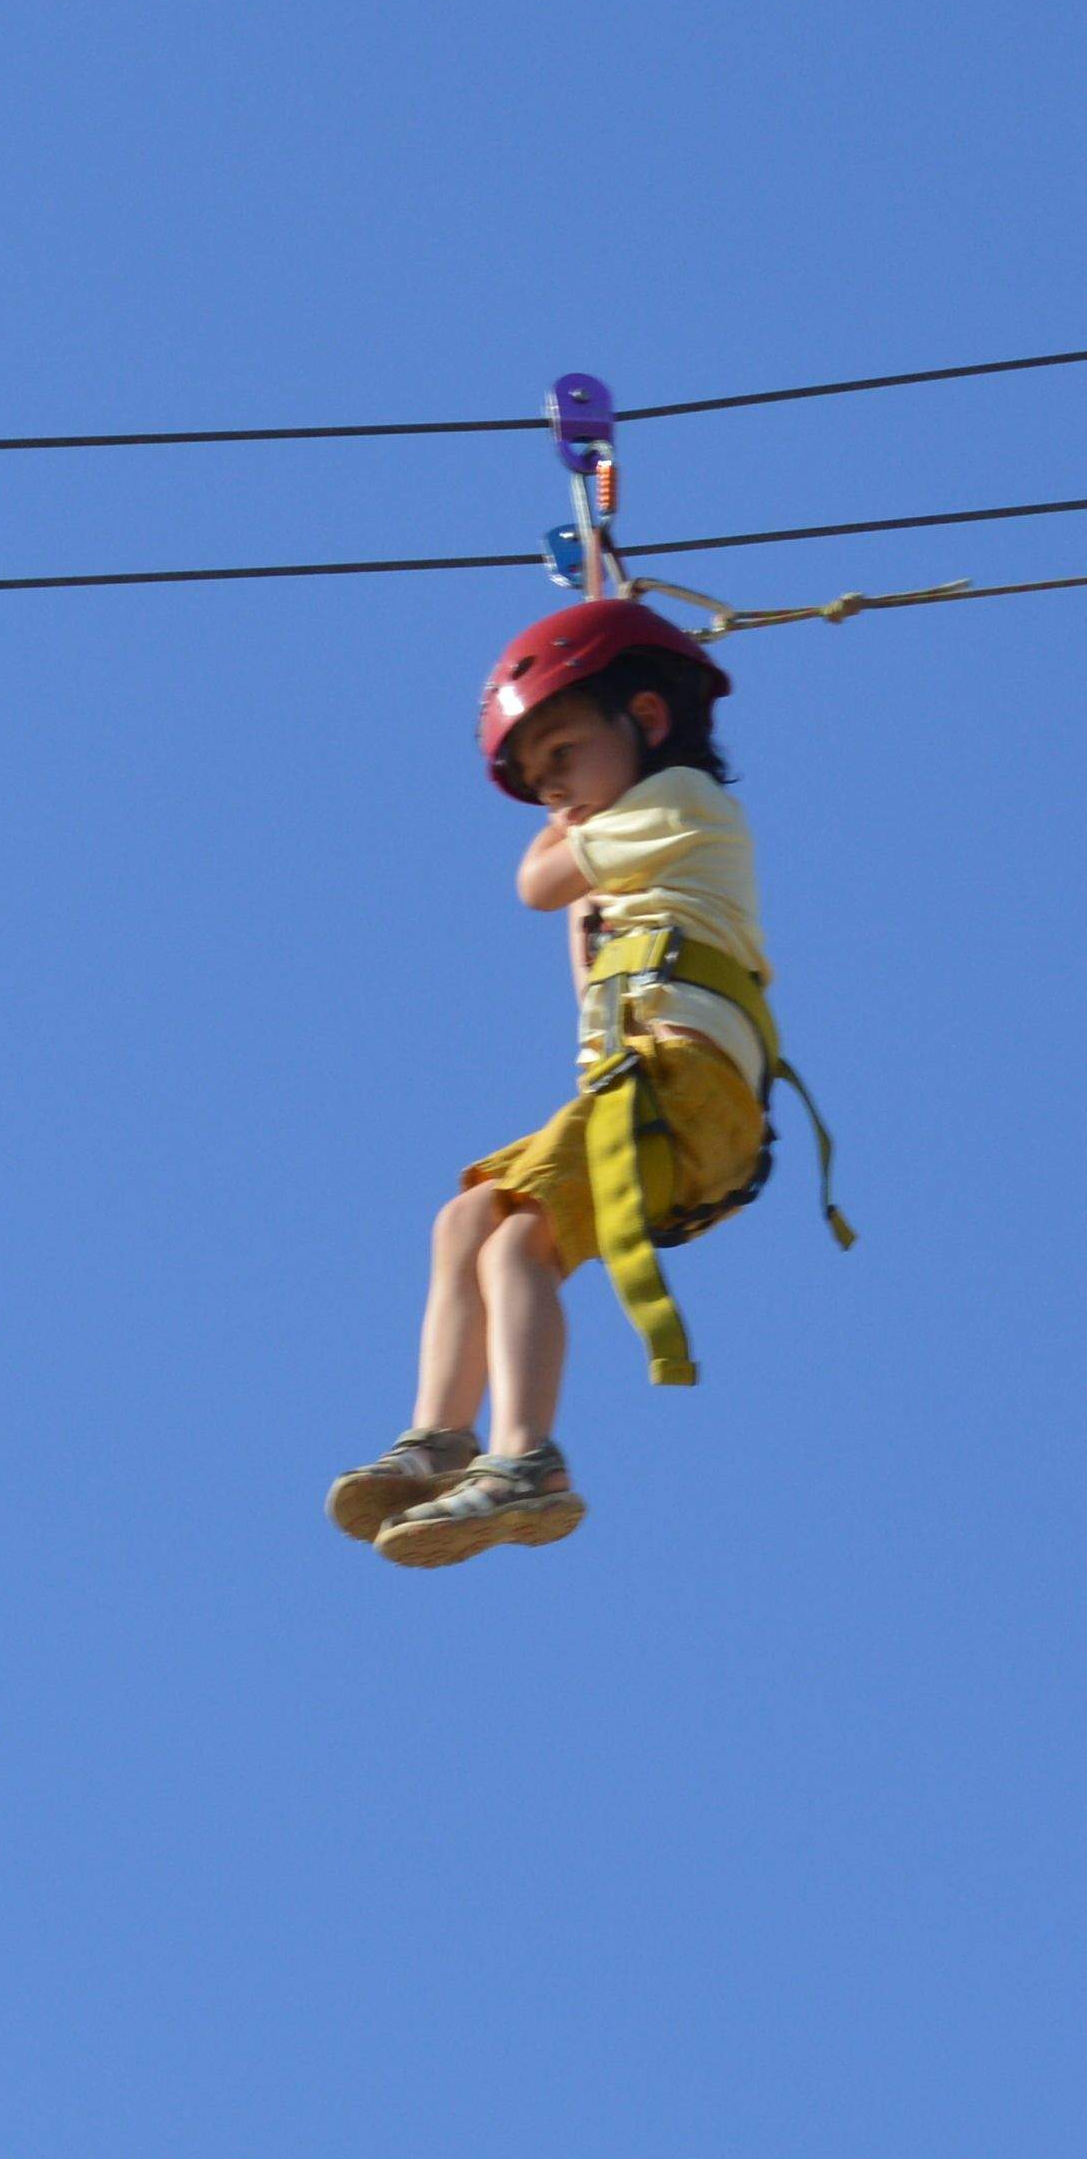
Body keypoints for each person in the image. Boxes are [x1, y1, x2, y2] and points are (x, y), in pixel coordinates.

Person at [331, 597, 795, 1567]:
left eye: (564, 758)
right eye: (539, 781)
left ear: (650, 722)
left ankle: (527, 1459)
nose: (557, 798)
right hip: (650, 1088)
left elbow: (536, 882)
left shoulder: (684, 808)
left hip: (690, 1088)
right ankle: (441, 1442)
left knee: (520, 1247)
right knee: (466, 1222)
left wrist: (570, 828)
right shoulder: (633, 858)